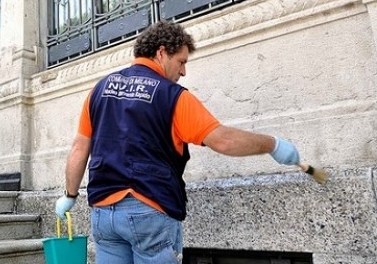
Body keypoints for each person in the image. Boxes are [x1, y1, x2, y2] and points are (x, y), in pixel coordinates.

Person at [55, 20, 300, 264]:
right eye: (181, 62)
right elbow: (223, 141)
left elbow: (79, 148)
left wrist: (70, 195)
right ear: (161, 53)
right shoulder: (173, 96)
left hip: (104, 215)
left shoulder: (99, 90)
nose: (183, 72)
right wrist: (272, 145)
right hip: (148, 210)